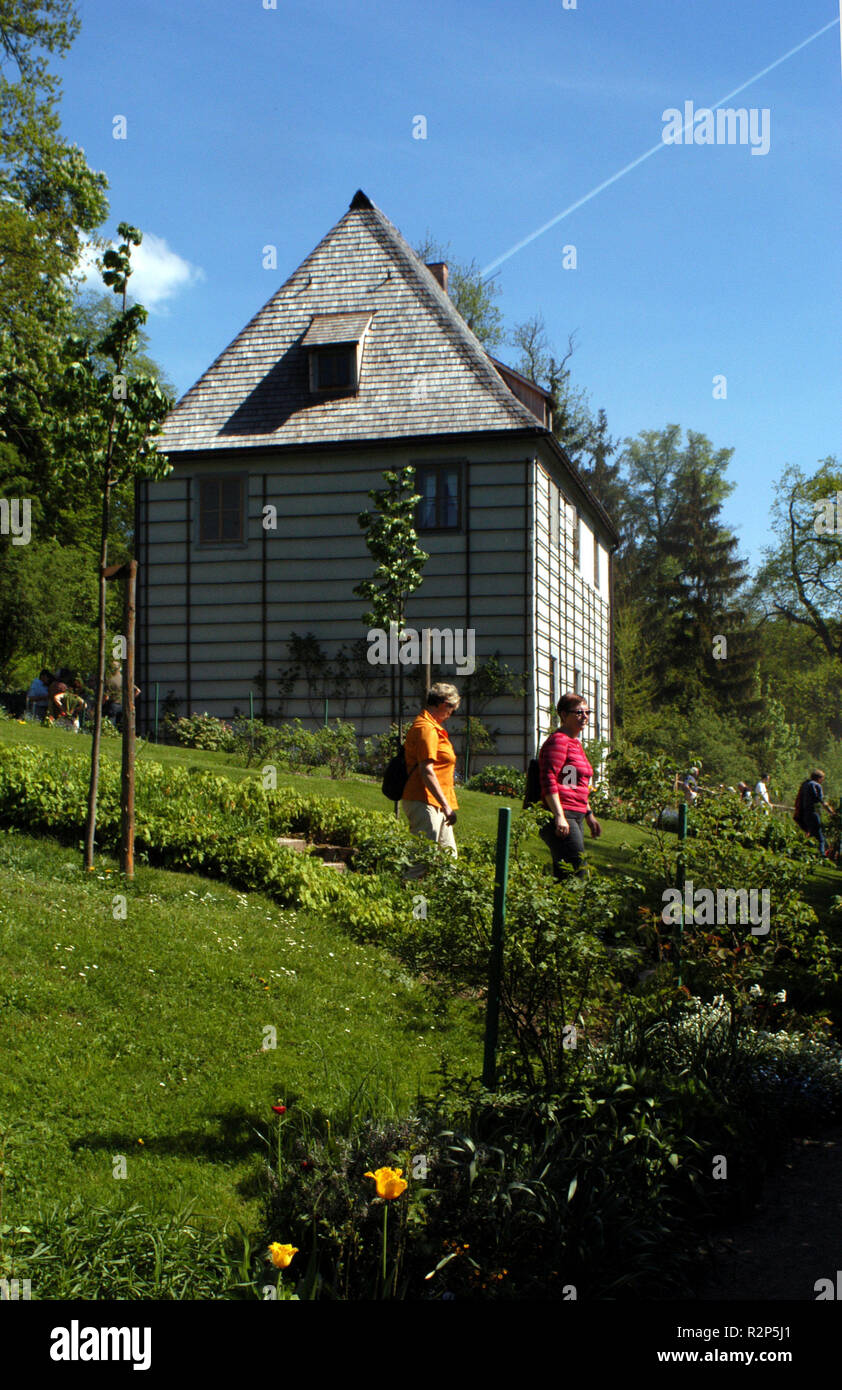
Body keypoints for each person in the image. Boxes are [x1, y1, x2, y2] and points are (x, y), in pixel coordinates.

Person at [538, 692, 602, 878]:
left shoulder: (575, 744)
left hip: (576, 814)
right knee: (575, 872)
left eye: (587, 712)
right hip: (562, 814)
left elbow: (573, 783)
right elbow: (548, 778)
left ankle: (560, 907)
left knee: (567, 874)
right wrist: (559, 815)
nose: (585, 717)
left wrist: (589, 814)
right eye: (579, 712)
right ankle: (570, 907)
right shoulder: (559, 741)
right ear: (564, 715)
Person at [401, 683, 460, 875]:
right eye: (452, 708)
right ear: (443, 704)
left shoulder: (434, 727)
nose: (452, 714)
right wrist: (446, 805)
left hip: (435, 802)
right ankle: (409, 897)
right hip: (423, 799)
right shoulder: (426, 728)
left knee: (448, 858)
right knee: (421, 858)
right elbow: (426, 770)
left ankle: (446, 900)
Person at [796, 770, 832, 857]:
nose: (822, 780)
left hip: (804, 813)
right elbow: (821, 800)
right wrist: (831, 812)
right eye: (822, 778)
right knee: (820, 838)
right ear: (819, 778)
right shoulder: (816, 785)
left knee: (811, 834)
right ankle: (822, 855)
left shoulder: (805, 784)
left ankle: (805, 852)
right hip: (813, 813)